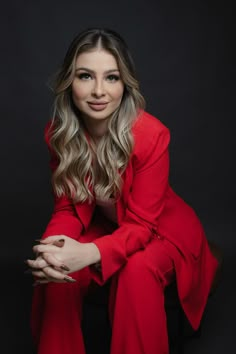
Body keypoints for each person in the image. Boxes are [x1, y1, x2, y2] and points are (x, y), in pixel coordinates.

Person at [26, 28, 218, 354]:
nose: (99, 91)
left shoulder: (150, 135)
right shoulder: (59, 135)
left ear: (124, 84)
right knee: (57, 274)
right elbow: (68, 210)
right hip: (111, 226)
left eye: (111, 78)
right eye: (85, 76)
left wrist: (89, 253)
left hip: (161, 231)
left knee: (136, 271)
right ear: (69, 83)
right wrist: (52, 251)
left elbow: (142, 227)